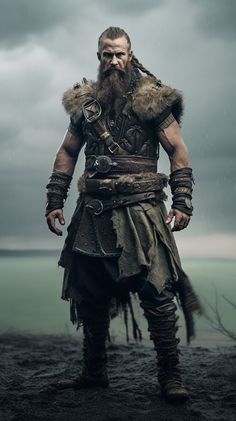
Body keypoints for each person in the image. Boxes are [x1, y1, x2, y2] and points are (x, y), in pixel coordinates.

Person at [46, 27, 201, 402]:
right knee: (90, 294)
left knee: (157, 292)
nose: (113, 61)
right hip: (94, 210)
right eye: (106, 55)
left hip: (141, 211)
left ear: (130, 55)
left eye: (119, 54)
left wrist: (181, 202)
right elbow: (68, 151)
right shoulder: (86, 104)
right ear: (98, 57)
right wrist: (54, 198)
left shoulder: (152, 100)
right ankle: (95, 372)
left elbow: (177, 150)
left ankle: (170, 376)